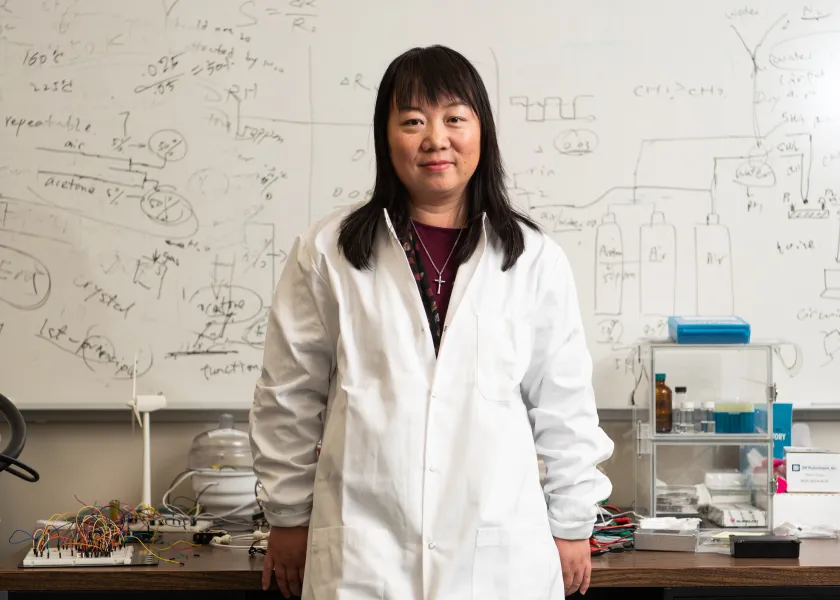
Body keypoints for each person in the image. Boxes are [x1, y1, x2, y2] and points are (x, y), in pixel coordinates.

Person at [249, 44, 614, 599]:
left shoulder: (533, 259)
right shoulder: (328, 252)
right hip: (365, 557)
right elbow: (289, 395)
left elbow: (564, 405)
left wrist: (571, 523)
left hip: (497, 556)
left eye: (454, 119)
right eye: (413, 121)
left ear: (481, 132)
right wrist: (288, 516)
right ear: (385, 136)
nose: (435, 139)